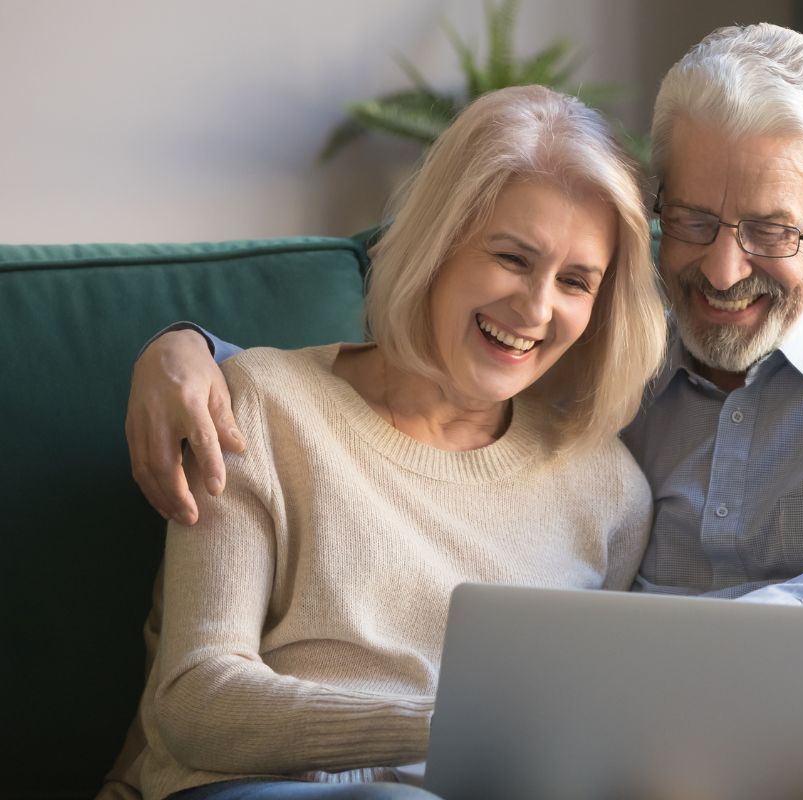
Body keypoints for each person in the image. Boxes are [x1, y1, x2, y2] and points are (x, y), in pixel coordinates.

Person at [125, 24, 803, 800]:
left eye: (771, 231)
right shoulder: (610, 385)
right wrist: (190, 351)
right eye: (696, 221)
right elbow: (396, 398)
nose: (722, 269)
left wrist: (711, 653)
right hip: (669, 763)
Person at [108, 84, 667, 800]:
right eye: (512, 258)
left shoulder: (609, 488)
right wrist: (437, 726)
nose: (535, 308)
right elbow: (193, 697)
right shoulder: (260, 405)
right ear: (439, 243)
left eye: (576, 282)